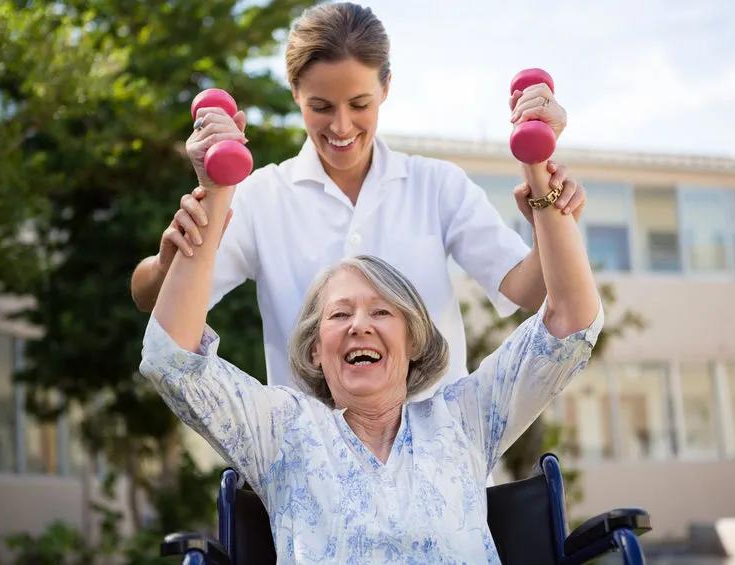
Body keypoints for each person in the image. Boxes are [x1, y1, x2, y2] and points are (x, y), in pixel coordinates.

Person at [139, 155, 602, 562]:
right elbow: (172, 358)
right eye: (339, 314)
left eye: (381, 311)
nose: (360, 324)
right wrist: (217, 192)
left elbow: (570, 325)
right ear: (315, 350)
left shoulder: (463, 421)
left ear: (415, 340)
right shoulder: (282, 431)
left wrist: (543, 186)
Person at [130, 3, 587, 396]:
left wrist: (550, 208)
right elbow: (158, 304)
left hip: (434, 459)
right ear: (295, 93)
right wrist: (170, 262)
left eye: (360, 104)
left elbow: (527, 289)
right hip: (310, 467)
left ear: (386, 87)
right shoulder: (260, 197)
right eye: (321, 107)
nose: (342, 127)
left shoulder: (437, 184)